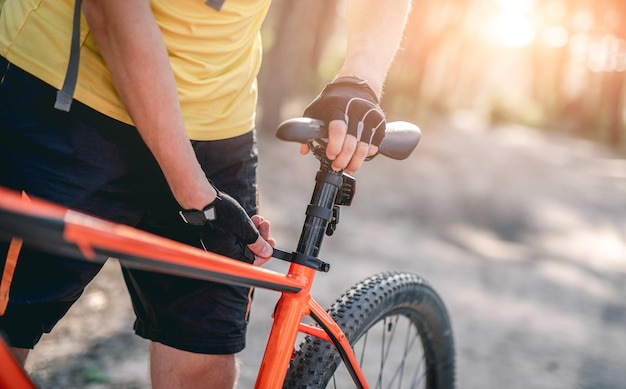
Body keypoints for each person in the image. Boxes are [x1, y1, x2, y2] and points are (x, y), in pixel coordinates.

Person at [0, 0, 411, 387]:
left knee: (206, 358)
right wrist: (198, 197)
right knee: (6, 338)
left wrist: (360, 79)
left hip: (216, 128)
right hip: (63, 99)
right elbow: (114, 14)